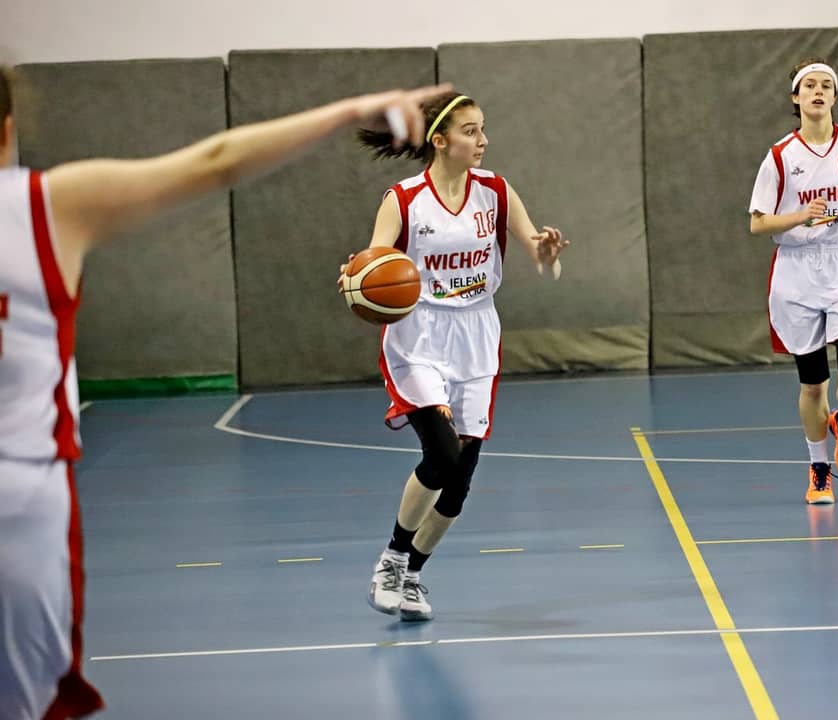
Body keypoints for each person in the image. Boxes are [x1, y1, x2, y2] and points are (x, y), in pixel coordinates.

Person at [0, 65, 451, 720]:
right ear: (9, 128)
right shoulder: (44, 206)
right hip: (19, 502)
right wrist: (349, 108)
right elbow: (214, 162)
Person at [342, 92, 568, 622]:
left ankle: (412, 573)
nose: (482, 140)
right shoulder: (403, 200)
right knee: (441, 455)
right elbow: (373, 264)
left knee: (459, 482)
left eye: (483, 128)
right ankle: (391, 559)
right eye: (470, 131)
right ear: (440, 140)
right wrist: (355, 279)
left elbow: (542, 259)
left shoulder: (495, 192)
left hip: (477, 334)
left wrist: (547, 255)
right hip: (419, 335)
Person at [748, 58, 838, 505]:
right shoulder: (780, 157)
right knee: (813, 385)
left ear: (834, 95)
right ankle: (819, 469)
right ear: (796, 97)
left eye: (826, 84)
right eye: (809, 85)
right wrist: (799, 216)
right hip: (797, 272)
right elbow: (757, 223)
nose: (818, 91)